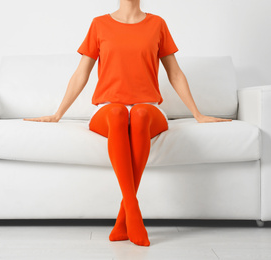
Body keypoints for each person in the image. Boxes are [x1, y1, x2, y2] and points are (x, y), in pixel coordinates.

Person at [24, 0, 232, 247]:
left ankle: (125, 217)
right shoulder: (99, 24)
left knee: (141, 114)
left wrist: (197, 113)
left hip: (150, 109)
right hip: (108, 110)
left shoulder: (157, 24)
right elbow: (82, 73)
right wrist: (58, 113)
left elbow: (174, 73)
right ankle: (133, 212)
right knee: (118, 113)